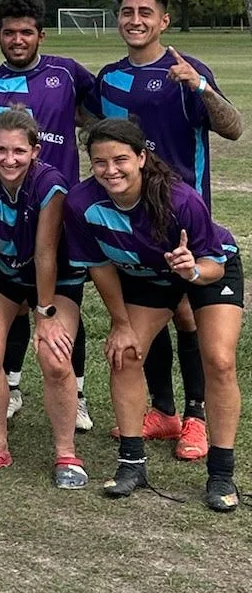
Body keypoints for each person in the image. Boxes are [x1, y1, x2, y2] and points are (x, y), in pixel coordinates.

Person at [92, 0, 243, 461]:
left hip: (183, 218)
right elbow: (93, 125)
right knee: (144, 307)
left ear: (164, 21)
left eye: (145, 12)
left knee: (186, 312)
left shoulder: (186, 70)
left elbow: (233, 128)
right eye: (127, 11)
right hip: (133, 221)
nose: (135, 19)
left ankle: (196, 416)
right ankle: (162, 410)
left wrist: (200, 87)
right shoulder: (109, 77)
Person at [64, 119, 243, 513]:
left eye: (121, 160)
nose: (110, 170)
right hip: (150, 276)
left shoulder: (181, 200)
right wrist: (120, 323)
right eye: (100, 162)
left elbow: (213, 265)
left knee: (220, 360)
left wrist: (191, 271)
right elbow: (99, 266)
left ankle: (221, 474)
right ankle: (132, 464)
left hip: (206, 269)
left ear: (142, 158)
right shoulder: (81, 203)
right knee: (125, 354)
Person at [0, 0, 94, 431]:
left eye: (26, 32)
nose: (18, 40)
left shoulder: (66, 72)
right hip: (10, 209)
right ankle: (11, 387)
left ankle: (78, 394)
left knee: (61, 302)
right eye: (10, 33)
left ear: (40, 36)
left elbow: (96, 112)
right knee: (12, 298)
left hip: (58, 203)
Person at [0, 109, 86, 489]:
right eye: (0, 150)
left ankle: (66, 453)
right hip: (4, 274)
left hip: (55, 278)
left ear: (35, 151)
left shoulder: (50, 183)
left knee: (55, 359)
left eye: (18, 151)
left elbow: (46, 253)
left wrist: (44, 315)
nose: (9, 159)